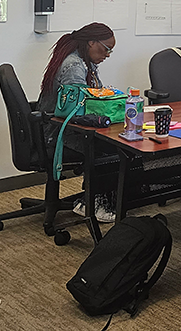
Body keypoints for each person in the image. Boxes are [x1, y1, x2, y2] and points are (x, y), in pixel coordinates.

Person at [37, 22, 118, 222]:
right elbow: (77, 112)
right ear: (91, 42)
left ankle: (94, 198)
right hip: (58, 134)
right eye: (106, 49)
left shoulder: (83, 61)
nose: (107, 55)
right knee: (112, 148)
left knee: (113, 141)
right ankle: (93, 202)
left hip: (59, 127)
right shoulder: (73, 66)